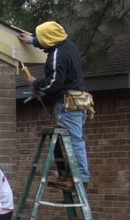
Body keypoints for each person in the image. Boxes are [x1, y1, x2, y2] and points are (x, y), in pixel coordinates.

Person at [16, 21, 93, 188]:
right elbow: (48, 41)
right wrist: (33, 41)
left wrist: (36, 83)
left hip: (68, 105)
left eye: (41, 39)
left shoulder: (58, 55)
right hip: (78, 102)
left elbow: (53, 84)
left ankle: (81, 178)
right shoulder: (68, 45)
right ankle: (69, 174)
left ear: (49, 40)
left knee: (74, 141)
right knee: (70, 142)